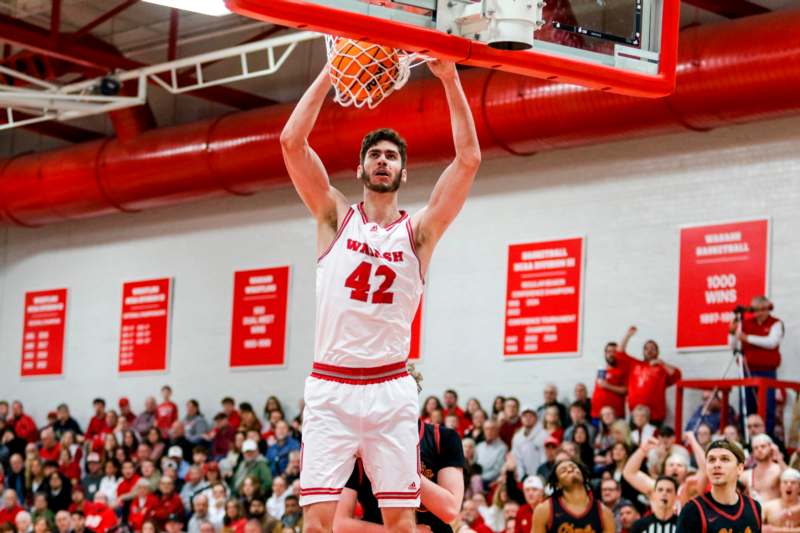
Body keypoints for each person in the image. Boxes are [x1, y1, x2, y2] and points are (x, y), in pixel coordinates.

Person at [280, 53, 480, 533]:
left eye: (392, 156)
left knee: (401, 523)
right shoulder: (333, 217)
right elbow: (291, 142)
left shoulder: (419, 233)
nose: (383, 160)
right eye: (375, 154)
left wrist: (450, 78)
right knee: (316, 523)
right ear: (361, 169)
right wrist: (333, 68)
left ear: (404, 172)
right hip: (331, 384)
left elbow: (469, 159)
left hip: (391, 387)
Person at [334, 417, 464, 533]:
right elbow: (340, 524)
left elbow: (449, 511)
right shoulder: (357, 445)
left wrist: (401, 464)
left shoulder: (443, 437)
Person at [677, 439, 761, 533]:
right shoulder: (692, 510)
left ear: (740, 468)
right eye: (711, 460)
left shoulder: (754, 507)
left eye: (724, 459)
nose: (716, 465)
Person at [730, 295, 785, 433]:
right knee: (746, 406)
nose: (759, 313)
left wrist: (747, 338)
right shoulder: (745, 323)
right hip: (747, 370)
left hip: (767, 371)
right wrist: (732, 332)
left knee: (767, 408)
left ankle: (767, 437)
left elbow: (772, 342)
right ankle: (745, 438)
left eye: (763, 309)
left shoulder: (776, 323)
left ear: (768, 309)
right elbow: (733, 345)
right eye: (756, 310)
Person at [619, 326, 682, 426]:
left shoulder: (662, 368)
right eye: (647, 348)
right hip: (636, 414)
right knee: (634, 440)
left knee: (653, 441)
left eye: (653, 348)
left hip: (655, 415)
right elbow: (619, 353)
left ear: (657, 352)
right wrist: (628, 335)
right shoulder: (634, 364)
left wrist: (662, 363)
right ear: (643, 351)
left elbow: (677, 375)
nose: (649, 350)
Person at [531, 459, 614, 533]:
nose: (570, 470)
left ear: (583, 475)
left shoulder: (604, 512)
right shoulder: (544, 510)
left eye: (574, 467)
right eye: (563, 471)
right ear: (557, 484)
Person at [623, 434, 707, 508]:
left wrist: (693, 440)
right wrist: (643, 450)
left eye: (679, 465)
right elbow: (629, 473)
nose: (675, 468)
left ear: (686, 471)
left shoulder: (691, 487)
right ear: (664, 470)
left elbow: (705, 469)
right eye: (671, 465)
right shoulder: (656, 487)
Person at [740, 433, 785, 503]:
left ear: (771, 448)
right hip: (754, 512)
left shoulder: (779, 469)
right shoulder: (746, 475)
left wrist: (778, 456)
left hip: (774, 512)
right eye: (756, 448)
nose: (759, 450)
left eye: (763, 446)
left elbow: (792, 478)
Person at [591, 340, 630, 422]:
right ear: (605, 354)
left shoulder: (624, 370)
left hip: (615, 415)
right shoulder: (602, 370)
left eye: (614, 351)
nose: (611, 354)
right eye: (609, 351)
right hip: (597, 414)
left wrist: (607, 386)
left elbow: (626, 390)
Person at [762, 468, 800, 532]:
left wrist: (776, 530)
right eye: (785, 482)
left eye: (793, 483)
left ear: (799, 488)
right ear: (780, 487)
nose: (789, 485)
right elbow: (754, 526)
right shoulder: (768, 506)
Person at [475, 420, 508, 488]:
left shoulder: (502, 447)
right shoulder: (479, 446)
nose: (489, 432)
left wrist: (480, 478)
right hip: (477, 479)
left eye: (492, 429)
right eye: (486, 429)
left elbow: (497, 470)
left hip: (490, 481)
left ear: (497, 431)